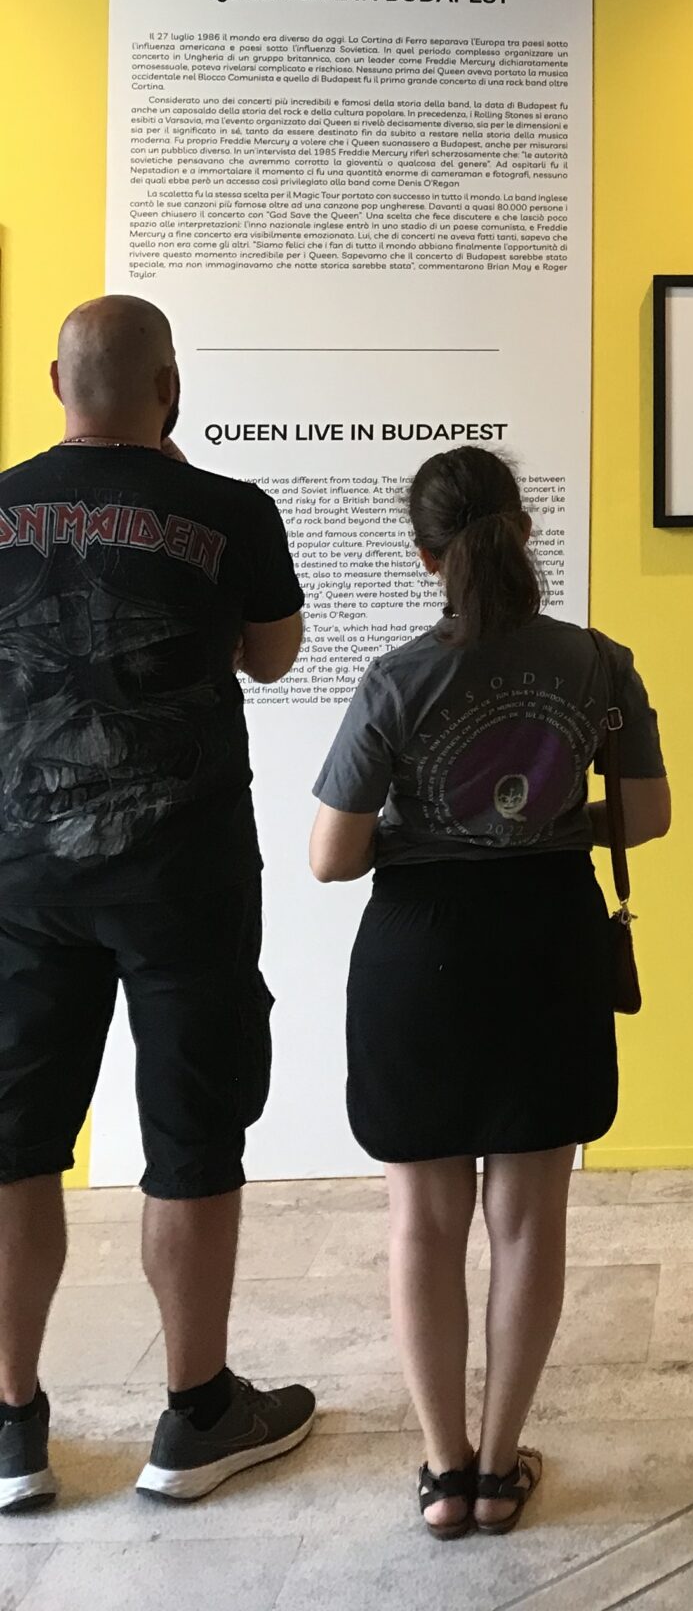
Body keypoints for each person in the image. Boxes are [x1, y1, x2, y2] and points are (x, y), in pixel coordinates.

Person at [308, 446, 669, 1539]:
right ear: (523, 531)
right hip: (548, 939)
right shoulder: (600, 664)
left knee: (423, 1223)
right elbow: (645, 815)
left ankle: (442, 1472)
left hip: (419, 952)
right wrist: (546, 822)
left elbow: (331, 855)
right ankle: (503, 1464)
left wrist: (430, 828)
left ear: (427, 555)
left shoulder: (395, 678)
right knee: (528, 1217)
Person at [0, 297, 312, 1512]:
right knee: (191, 1140)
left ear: (54, 381)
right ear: (169, 385)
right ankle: (195, 1414)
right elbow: (275, 655)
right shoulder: (229, 509)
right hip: (181, 872)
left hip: (18, 873)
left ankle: (13, 1423)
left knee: (14, 1144)